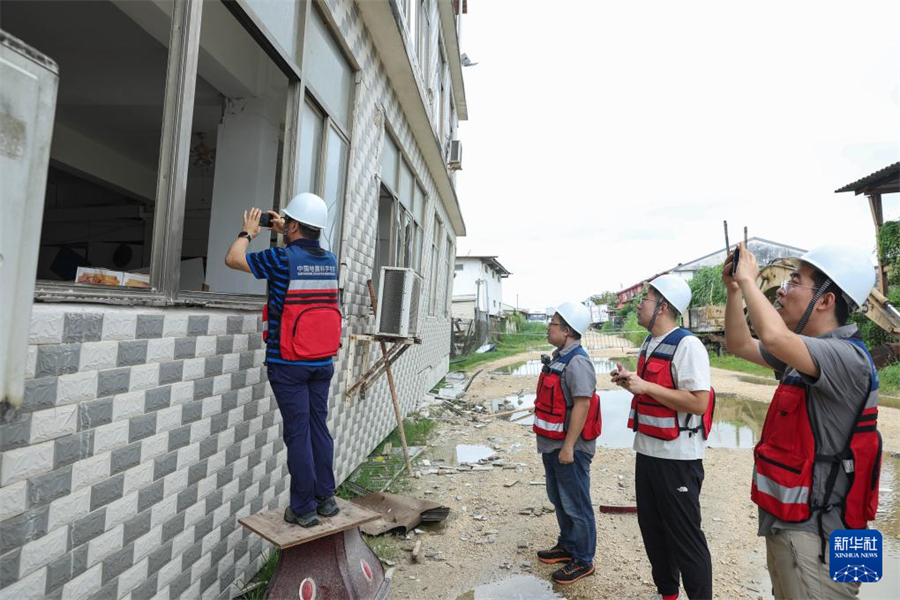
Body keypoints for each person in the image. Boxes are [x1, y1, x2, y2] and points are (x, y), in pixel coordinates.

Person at [723, 243, 880, 599]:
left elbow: (773, 336)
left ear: (825, 301)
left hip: (821, 533)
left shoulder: (845, 357)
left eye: (794, 281)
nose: (781, 289)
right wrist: (734, 290)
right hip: (816, 524)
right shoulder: (805, 356)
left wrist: (748, 280)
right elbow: (740, 345)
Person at [225, 193, 342, 528]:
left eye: (287, 222)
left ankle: (303, 508)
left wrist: (248, 232)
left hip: (288, 362)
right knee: (318, 427)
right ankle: (325, 498)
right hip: (321, 360)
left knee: (298, 433)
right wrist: (287, 229)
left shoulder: (280, 258)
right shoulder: (330, 260)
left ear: (293, 226)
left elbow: (233, 259)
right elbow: (307, 251)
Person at [611, 274, 714, 600]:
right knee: (653, 532)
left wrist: (645, 386)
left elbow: (699, 402)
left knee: (685, 538)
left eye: (646, 299)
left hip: (678, 459)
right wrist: (632, 382)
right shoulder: (650, 343)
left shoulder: (688, 345)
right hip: (648, 452)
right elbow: (655, 392)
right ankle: (667, 594)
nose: (639, 304)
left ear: (664, 307)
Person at [533, 301, 602, 585]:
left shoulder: (578, 362)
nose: (548, 327)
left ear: (567, 331)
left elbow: (582, 405)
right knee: (559, 499)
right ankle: (568, 545)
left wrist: (569, 447)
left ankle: (584, 560)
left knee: (576, 504)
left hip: (569, 449)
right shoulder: (560, 357)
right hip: (553, 445)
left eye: (552, 323)